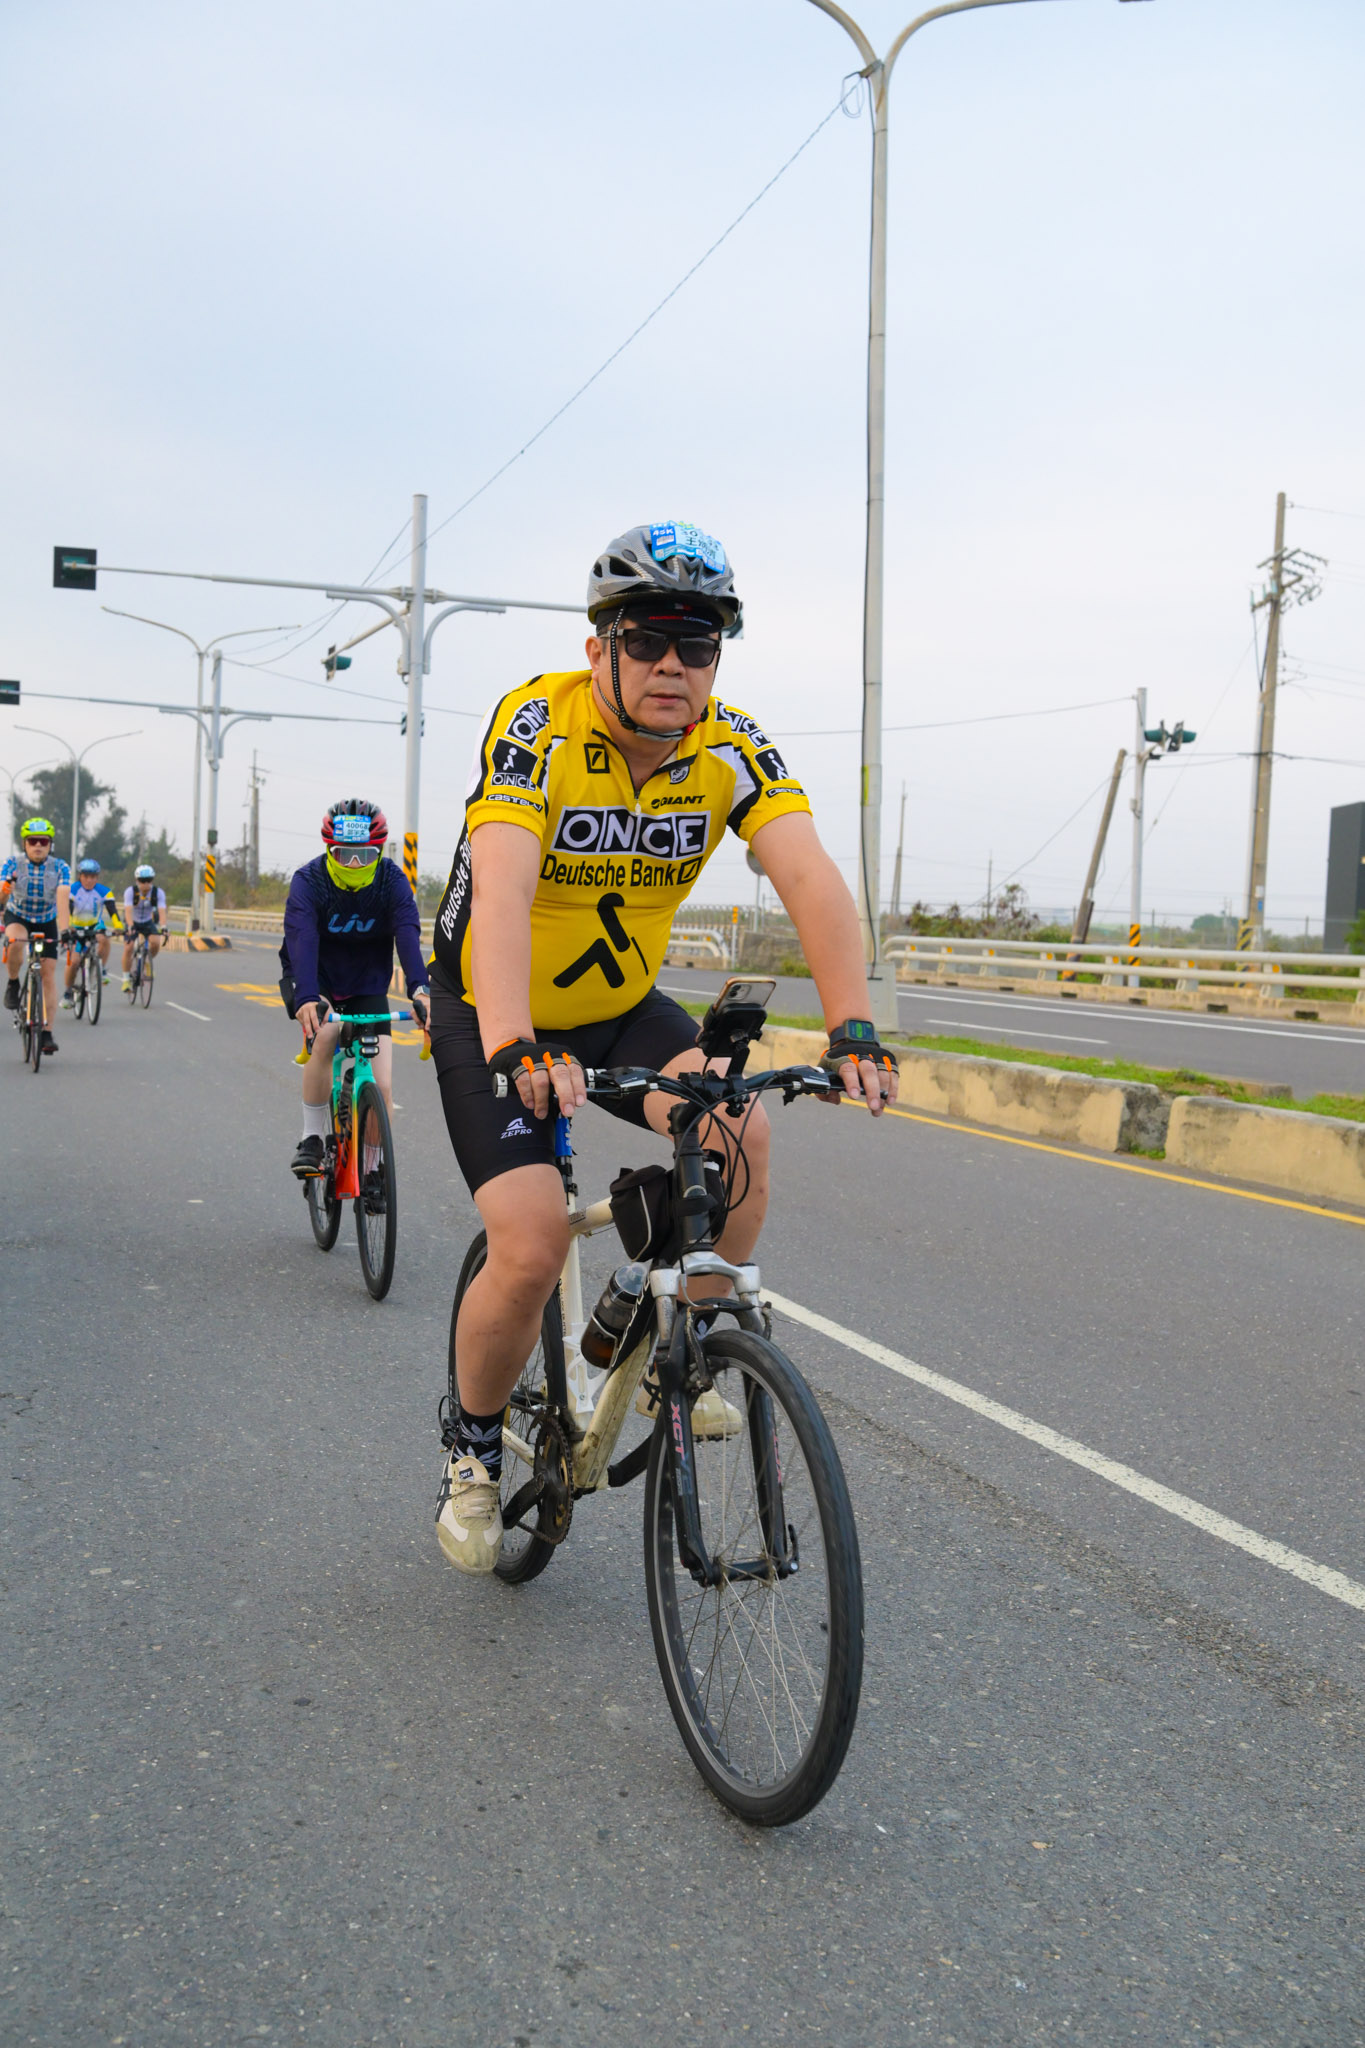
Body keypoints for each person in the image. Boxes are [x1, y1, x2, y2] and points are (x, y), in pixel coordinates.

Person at [426, 521, 900, 1574]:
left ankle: (676, 1361)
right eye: (646, 640)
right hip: (490, 1007)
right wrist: (511, 1043)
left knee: (740, 1132)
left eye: (699, 643)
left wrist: (854, 1027)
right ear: (600, 647)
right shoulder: (537, 724)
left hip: (615, 1004)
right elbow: (499, 890)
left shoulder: (732, 745)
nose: (673, 665)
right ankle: (471, 1450)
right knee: (531, 1239)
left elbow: (810, 876)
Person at [281, 799, 430, 1179]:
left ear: (378, 851)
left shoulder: (392, 881)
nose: (352, 864)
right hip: (316, 976)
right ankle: (312, 1138)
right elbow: (302, 939)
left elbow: (407, 934)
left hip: (367, 981)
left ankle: (373, 1168)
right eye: (343, 854)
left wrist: (420, 990)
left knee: (383, 1086)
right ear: (329, 849)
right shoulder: (308, 881)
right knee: (326, 1035)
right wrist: (307, 998)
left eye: (363, 856)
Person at [2, 818, 72, 1055]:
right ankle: (13, 982)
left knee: (48, 974)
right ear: (25, 844)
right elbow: (0, 898)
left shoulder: (60, 867)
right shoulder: (12, 864)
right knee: (14, 943)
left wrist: (65, 930)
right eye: (33, 841)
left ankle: (47, 1032)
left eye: (44, 841)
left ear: (50, 844)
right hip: (18, 915)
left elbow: (63, 897)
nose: (38, 846)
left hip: (46, 919)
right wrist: (5, 889)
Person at [61, 857, 120, 1008]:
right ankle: (67, 992)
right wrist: (69, 926)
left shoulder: (104, 891)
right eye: (86, 876)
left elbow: (112, 911)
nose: (89, 880)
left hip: (95, 924)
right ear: (80, 876)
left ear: (97, 877)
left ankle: (101, 969)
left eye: (93, 877)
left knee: (105, 938)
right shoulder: (73, 889)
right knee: (74, 962)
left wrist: (118, 926)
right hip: (76, 926)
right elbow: (67, 909)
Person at [121, 864, 166, 988]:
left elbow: (162, 911)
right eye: (142, 881)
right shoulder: (130, 892)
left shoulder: (158, 893)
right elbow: (128, 911)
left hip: (147, 921)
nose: (146, 884)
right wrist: (130, 926)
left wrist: (164, 927)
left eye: (149, 880)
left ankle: (147, 961)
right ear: (137, 880)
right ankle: (126, 979)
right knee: (128, 947)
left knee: (156, 942)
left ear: (152, 880)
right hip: (132, 921)